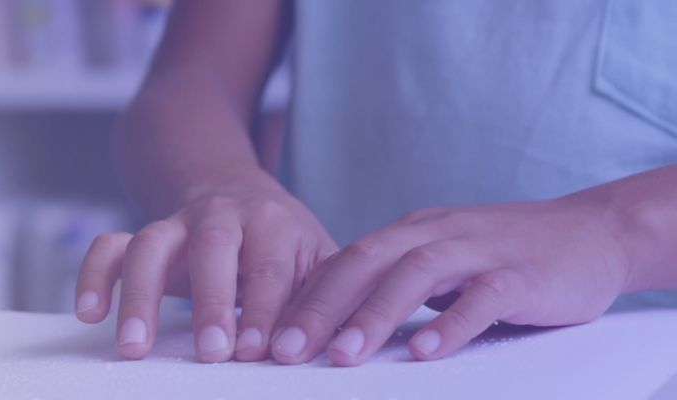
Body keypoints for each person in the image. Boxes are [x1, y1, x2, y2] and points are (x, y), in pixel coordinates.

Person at [73, 0, 677, 366]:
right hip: (332, 359)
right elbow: (187, 79)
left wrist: (618, 231)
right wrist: (214, 184)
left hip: (639, 372)